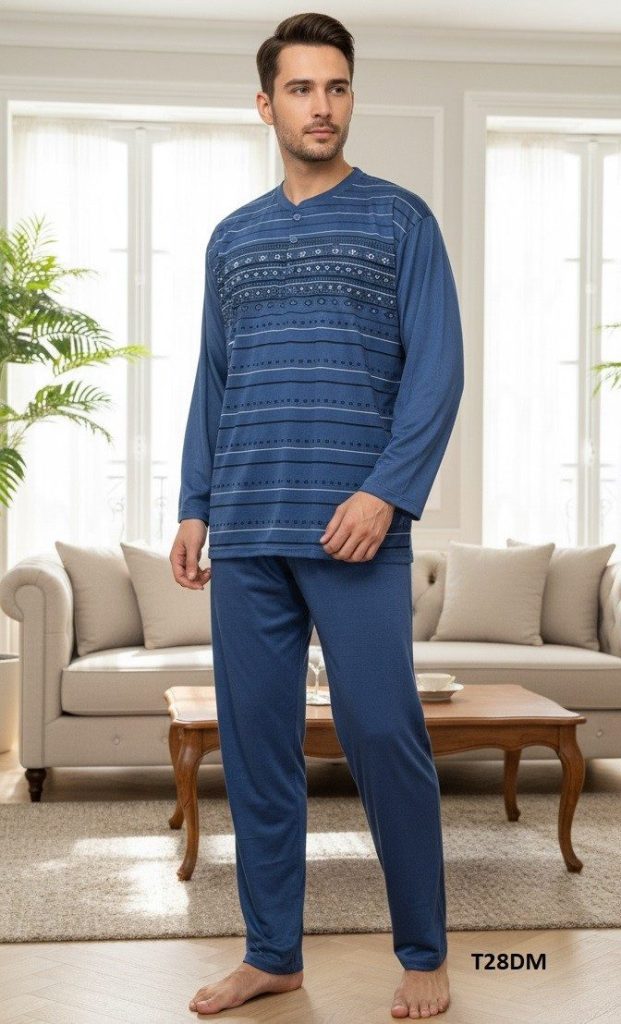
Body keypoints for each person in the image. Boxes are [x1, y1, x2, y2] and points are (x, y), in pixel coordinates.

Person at [170, 11, 464, 1019]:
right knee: (257, 749)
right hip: (248, 528)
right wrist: (193, 504)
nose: (321, 106)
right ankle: (271, 954)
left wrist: (385, 492)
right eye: (300, 88)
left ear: (350, 97)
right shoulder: (232, 237)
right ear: (266, 105)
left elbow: (437, 372)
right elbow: (214, 380)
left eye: (336, 87)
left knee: (383, 735)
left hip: (356, 531)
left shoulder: (401, 221)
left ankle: (423, 952)